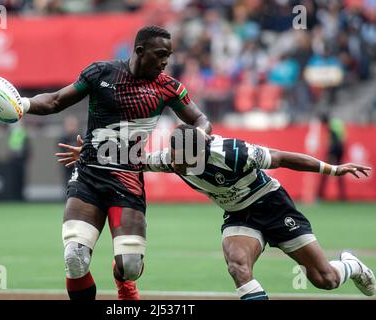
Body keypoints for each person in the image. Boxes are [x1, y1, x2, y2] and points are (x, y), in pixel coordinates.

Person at [58, 124, 374, 300]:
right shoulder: (171, 158)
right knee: (238, 266)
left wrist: (334, 170)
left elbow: (282, 158)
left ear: (202, 151)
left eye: (184, 159)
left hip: (272, 206)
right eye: (176, 158)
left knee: (325, 279)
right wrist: (86, 153)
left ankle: (351, 266)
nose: (177, 164)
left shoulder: (234, 153)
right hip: (238, 216)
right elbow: (127, 158)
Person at [20, 26, 212, 300]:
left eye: (168, 55)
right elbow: (54, 101)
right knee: (75, 258)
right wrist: (22, 104)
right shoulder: (101, 73)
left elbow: (201, 119)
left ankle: (124, 281)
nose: (165, 61)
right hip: (89, 177)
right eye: (160, 54)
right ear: (139, 51)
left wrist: (198, 136)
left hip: (127, 182)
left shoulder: (168, 87)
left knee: (131, 266)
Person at [317, 114, 346, 200]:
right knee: (340, 172)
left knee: (325, 170)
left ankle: (320, 195)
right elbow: (342, 138)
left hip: (334, 151)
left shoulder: (331, 127)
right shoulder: (337, 123)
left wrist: (330, 153)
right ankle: (342, 196)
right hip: (340, 149)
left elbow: (334, 140)